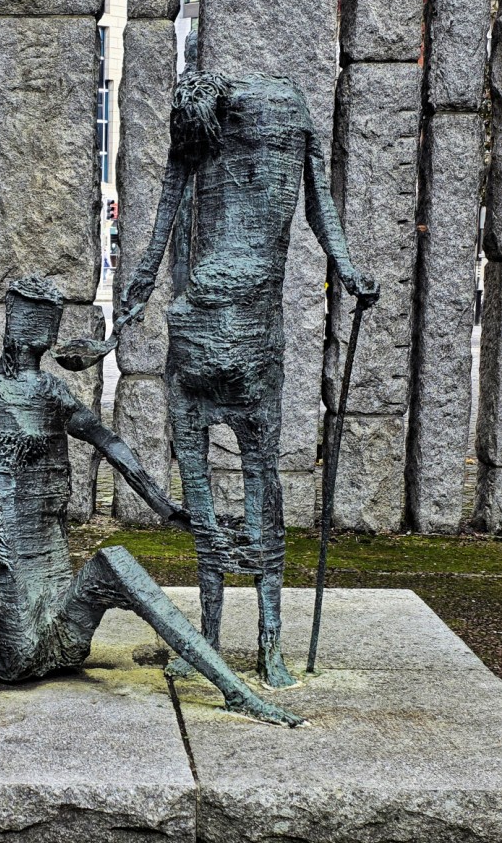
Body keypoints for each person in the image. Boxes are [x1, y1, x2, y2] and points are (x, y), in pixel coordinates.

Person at [0, 275, 302, 727]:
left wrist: (165, 507)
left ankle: (235, 692)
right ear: (14, 328)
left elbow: (108, 440)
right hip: (13, 644)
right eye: (33, 322)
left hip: (64, 634)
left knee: (115, 562)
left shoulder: (51, 393)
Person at [120, 35, 379, 687]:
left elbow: (317, 203)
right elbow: (164, 220)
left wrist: (347, 267)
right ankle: (214, 640)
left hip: (251, 333)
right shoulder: (204, 123)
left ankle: (266, 641)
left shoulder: (287, 115)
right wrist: (132, 301)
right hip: (200, 330)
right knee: (209, 494)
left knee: (257, 484)